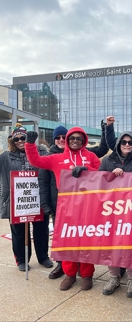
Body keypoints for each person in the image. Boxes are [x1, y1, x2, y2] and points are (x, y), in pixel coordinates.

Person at [38, 117, 116, 279]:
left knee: (83, 236)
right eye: (58, 138)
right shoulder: (51, 157)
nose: (61, 139)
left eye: (63, 137)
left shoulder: (87, 154)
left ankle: (84, 270)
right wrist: (46, 204)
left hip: (84, 204)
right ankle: (64, 269)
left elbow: (100, 159)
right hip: (58, 204)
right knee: (64, 239)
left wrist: (105, 128)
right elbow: (43, 182)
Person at [25, 127, 101, 291]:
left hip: (88, 205)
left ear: (83, 141)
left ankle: (87, 274)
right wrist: (30, 145)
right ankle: (70, 274)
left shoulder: (91, 156)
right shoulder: (57, 158)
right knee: (68, 241)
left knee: (86, 240)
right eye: (71, 138)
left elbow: (103, 172)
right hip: (66, 206)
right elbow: (36, 161)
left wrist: (89, 170)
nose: (75, 141)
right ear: (67, 140)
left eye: (78, 139)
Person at [100, 131, 132, 298]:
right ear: (118, 144)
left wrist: (125, 175)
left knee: (131, 245)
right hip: (112, 210)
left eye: (130, 142)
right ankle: (114, 277)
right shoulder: (107, 160)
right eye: (124, 142)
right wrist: (110, 176)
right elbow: (98, 182)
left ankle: (131, 278)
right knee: (111, 245)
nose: (127, 144)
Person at [0, 123, 53, 271]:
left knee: (41, 230)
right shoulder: (6, 156)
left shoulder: (41, 153)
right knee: (18, 232)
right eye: (16, 139)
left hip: (38, 199)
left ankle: (43, 257)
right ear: (12, 141)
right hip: (17, 202)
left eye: (23, 137)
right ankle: (22, 259)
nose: (20, 141)